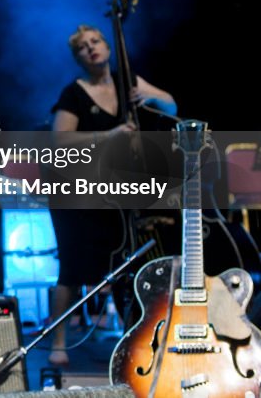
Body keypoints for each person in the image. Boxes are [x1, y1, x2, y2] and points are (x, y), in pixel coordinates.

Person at [47, 25, 175, 366]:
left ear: (107, 45)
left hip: (112, 191)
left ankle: (132, 338)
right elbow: (60, 143)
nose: (92, 49)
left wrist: (153, 101)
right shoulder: (73, 94)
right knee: (73, 268)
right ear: (78, 58)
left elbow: (172, 106)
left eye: (96, 42)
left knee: (123, 263)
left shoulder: (127, 80)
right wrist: (110, 135)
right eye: (83, 48)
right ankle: (57, 341)